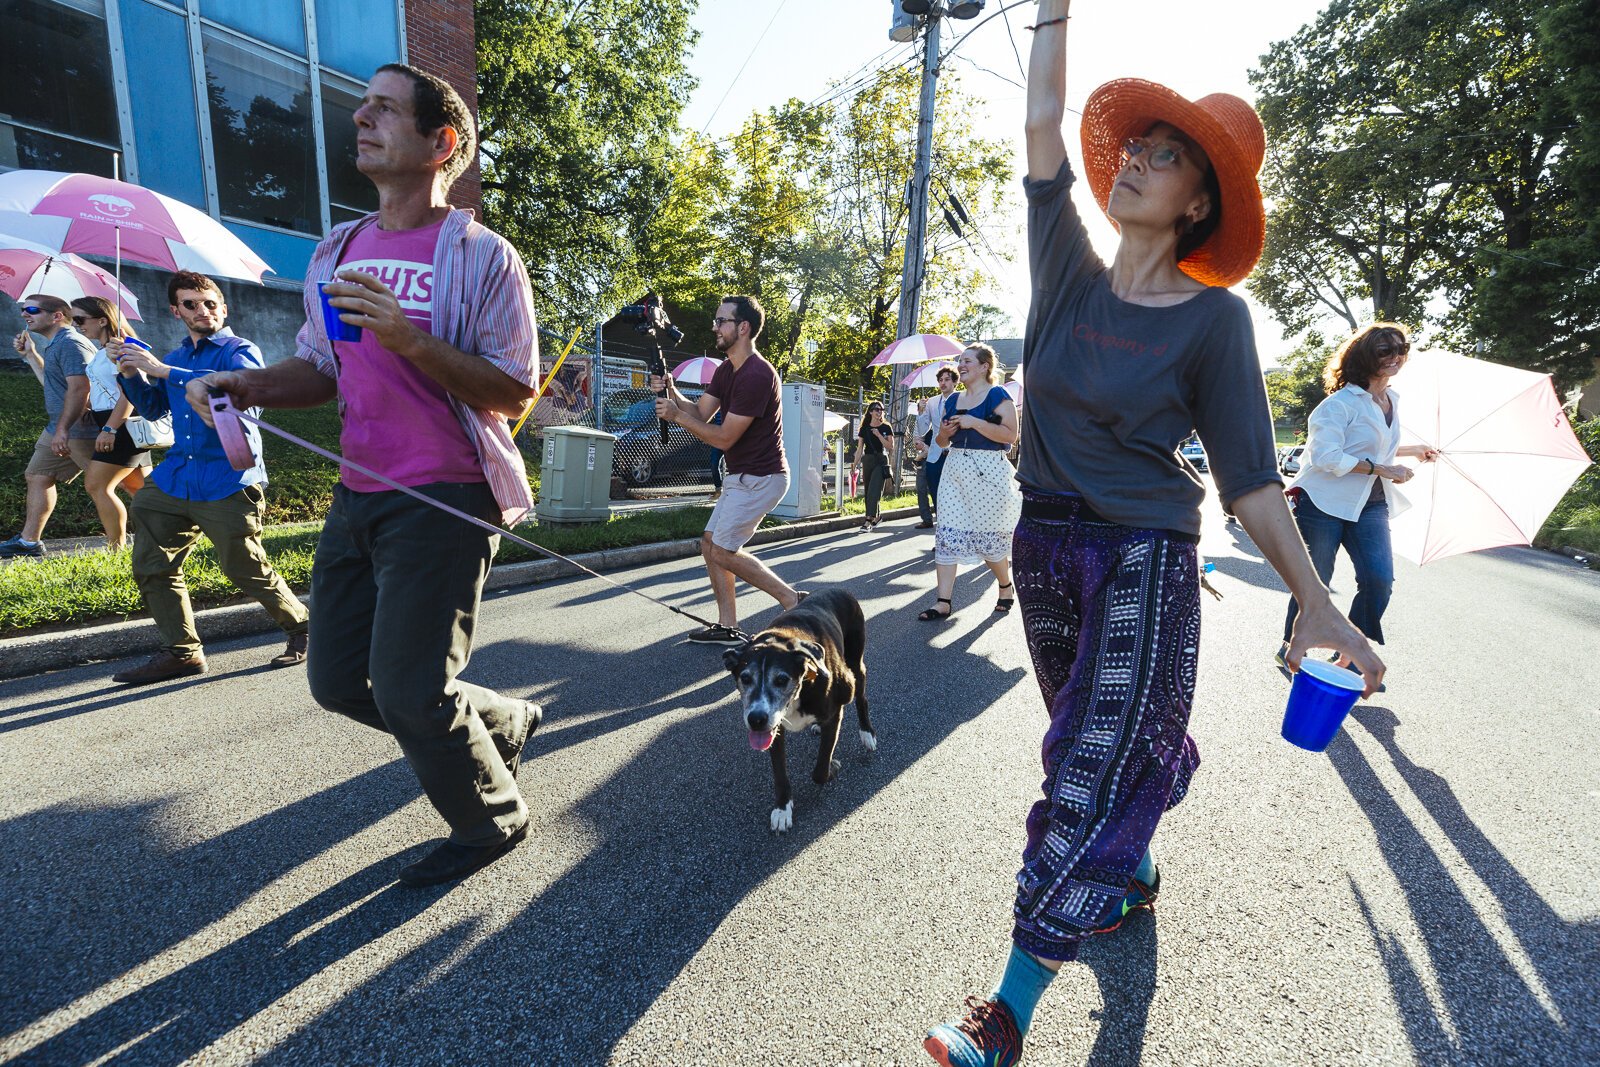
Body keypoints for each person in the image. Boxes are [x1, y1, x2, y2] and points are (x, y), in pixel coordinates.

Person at [921, 6, 1384, 1065]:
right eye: (1136, 145)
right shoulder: (1068, 268)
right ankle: (1137, 835)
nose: (1134, 160)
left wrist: (1316, 601)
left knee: (1081, 771)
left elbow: (1253, 483)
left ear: (1197, 200)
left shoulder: (1215, 321)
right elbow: (1039, 122)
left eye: (1164, 156)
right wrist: (1051, 11)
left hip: (1143, 557)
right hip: (1043, 550)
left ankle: (1005, 1010)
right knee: (1106, 744)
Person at [189, 64, 543, 888]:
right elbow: (320, 367)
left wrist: (412, 340)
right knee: (341, 678)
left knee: (415, 689)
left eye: (384, 109)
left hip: (446, 497)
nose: (361, 117)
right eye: (364, 106)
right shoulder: (337, 251)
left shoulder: (482, 256)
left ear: (439, 143)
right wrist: (247, 384)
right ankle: (507, 718)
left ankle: (493, 820)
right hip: (359, 495)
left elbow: (515, 387)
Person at [108, 272, 310, 684]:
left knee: (244, 567)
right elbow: (152, 410)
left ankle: (303, 629)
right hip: (175, 479)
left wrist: (163, 370)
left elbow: (244, 399)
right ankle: (182, 653)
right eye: (191, 304)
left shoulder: (240, 350)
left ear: (224, 307)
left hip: (228, 478)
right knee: (152, 565)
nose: (203, 311)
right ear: (175, 310)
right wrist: (130, 371)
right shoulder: (178, 354)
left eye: (210, 303)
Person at [1277, 323, 1438, 681]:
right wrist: (1384, 468)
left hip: (1370, 504)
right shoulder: (1337, 405)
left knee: (1379, 580)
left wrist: (1414, 451)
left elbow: (1376, 446)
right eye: (1385, 350)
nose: (1396, 356)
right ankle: (1291, 646)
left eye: (1402, 348)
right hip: (1323, 503)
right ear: (1365, 356)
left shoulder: (1392, 400)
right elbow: (1326, 457)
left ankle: (1347, 653)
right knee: (1315, 581)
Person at [654, 294, 804, 644]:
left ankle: (791, 599)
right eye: (716, 321)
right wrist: (673, 392)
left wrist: (674, 416)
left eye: (721, 321)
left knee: (723, 550)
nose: (714, 327)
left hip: (763, 478)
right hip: (740, 476)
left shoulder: (757, 374)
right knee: (709, 544)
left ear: (743, 327)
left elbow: (723, 438)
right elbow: (701, 414)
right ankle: (727, 625)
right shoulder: (726, 370)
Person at [913, 344, 1020, 621]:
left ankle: (1005, 586)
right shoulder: (952, 400)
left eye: (967, 361)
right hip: (955, 470)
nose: (961, 365)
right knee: (947, 534)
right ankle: (943, 601)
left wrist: (975, 423)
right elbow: (940, 441)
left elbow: (1010, 435)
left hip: (989, 471)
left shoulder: (997, 394)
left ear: (985, 366)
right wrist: (945, 434)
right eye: (960, 360)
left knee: (987, 539)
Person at [1, 294, 97, 559]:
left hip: (80, 429)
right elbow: (55, 386)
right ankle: (29, 542)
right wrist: (30, 355)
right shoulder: (56, 344)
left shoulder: (71, 343)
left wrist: (64, 429)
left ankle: (169, 522)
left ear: (57, 316)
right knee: (38, 475)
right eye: (23, 310)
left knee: (116, 483)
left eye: (32, 309)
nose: (25, 314)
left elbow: (81, 390)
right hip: (60, 426)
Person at [71, 296, 152, 549]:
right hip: (112, 422)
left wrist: (109, 429)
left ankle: (115, 549)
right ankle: (164, 538)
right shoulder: (103, 350)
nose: (76, 325)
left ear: (103, 320)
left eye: (80, 319)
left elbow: (130, 393)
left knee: (97, 485)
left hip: (121, 424)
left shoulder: (121, 348)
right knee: (142, 490)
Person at [912, 365, 960, 529]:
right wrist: (921, 412)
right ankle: (942, 537)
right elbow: (924, 429)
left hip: (956, 454)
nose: (943, 383)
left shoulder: (962, 399)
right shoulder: (931, 402)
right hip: (935, 455)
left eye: (947, 379)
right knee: (937, 496)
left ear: (954, 382)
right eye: (940, 380)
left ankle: (954, 533)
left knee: (953, 497)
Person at [852, 400, 894, 530]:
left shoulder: (886, 427)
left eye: (881, 409)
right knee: (869, 490)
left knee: (875, 488)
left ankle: (868, 520)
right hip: (868, 460)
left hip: (881, 460)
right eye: (876, 409)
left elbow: (890, 446)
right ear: (870, 412)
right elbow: (860, 448)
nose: (879, 411)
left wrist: (879, 435)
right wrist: (854, 464)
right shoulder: (864, 429)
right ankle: (877, 516)